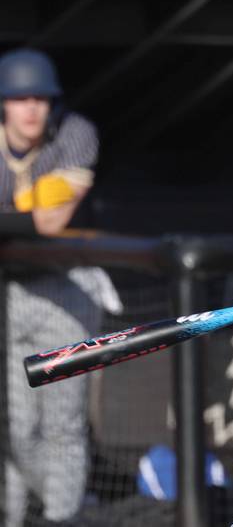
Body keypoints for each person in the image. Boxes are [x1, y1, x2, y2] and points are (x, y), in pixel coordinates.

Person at [0, 48, 111, 525]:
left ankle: (61, 518)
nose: (31, 110)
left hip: (68, 291)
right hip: (11, 293)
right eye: (20, 98)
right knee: (16, 428)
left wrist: (13, 216)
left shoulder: (74, 132)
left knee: (62, 425)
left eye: (41, 99)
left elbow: (50, 220)